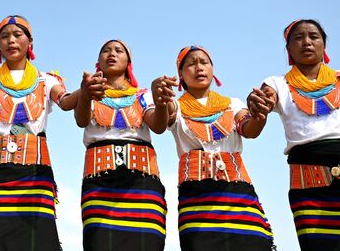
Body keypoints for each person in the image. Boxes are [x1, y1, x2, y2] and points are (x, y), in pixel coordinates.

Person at [0, 15, 78, 251]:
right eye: (4, 36)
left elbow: (66, 101)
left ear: (30, 41)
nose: (11, 40)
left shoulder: (46, 80)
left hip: (33, 172)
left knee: (38, 241)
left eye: (17, 35)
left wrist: (85, 90)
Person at [155, 45, 274, 251]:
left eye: (204, 62)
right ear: (181, 75)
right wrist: (161, 99)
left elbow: (250, 130)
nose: (199, 68)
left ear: (212, 68)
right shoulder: (177, 106)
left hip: (237, 192)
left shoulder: (232, 104)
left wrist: (260, 116)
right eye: (191, 64)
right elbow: (165, 116)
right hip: (197, 198)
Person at [248, 19, 340, 251]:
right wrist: (258, 103)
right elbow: (265, 99)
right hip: (307, 174)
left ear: (324, 45)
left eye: (313, 36)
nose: (306, 42)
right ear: (288, 50)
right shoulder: (277, 83)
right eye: (298, 38)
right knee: (318, 244)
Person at [74, 40, 169, 251]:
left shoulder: (142, 95)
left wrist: (161, 103)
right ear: (98, 61)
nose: (112, 54)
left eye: (119, 51)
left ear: (128, 62)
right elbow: (81, 121)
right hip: (99, 180)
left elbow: (158, 126)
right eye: (106, 50)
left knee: (146, 243)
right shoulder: (91, 93)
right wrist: (85, 94)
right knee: (99, 243)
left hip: (142, 180)